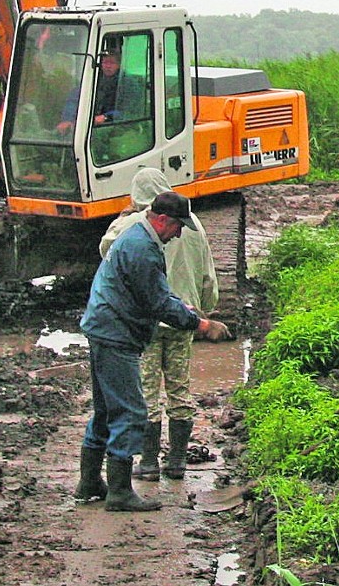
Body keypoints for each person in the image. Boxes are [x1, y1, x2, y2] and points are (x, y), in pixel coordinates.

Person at [74, 190, 230, 512]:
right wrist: (200, 324)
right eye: (176, 227)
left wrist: (181, 308)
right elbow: (157, 303)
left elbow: (156, 295)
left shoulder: (135, 236)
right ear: (161, 220)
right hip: (116, 335)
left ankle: (90, 481)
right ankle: (119, 492)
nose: (178, 234)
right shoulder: (143, 249)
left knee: (105, 410)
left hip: (104, 328)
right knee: (131, 412)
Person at [99, 169, 219, 482]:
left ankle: (149, 463)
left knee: (147, 392)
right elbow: (208, 275)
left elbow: (107, 253)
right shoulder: (194, 226)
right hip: (184, 318)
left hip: (148, 323)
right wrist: (204, 312)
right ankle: (177, 461)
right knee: (180, 389)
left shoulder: (131, 224)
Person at [56, 49, 122, 134]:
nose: (108, 66)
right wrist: (68, 119)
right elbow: (75, 99)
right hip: (88, 125)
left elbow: (129, 110)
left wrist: (106, 117)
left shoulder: (126, 83)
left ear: (119, 65)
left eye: (112, 63)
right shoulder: (92, 78)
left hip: (115, 126)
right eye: (105, 62)